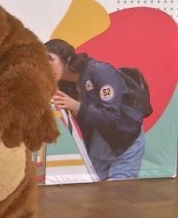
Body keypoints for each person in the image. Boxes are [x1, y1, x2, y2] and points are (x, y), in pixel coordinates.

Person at [45, 39, 145, 181]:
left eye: (50, 59)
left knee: (119, 189)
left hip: (125, 141)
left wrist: (77, 106)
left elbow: (112, 118)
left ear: (67, 58)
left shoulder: (101, 71)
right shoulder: (65, 85)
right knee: (92, 189)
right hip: (99, 143)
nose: (46, 66)